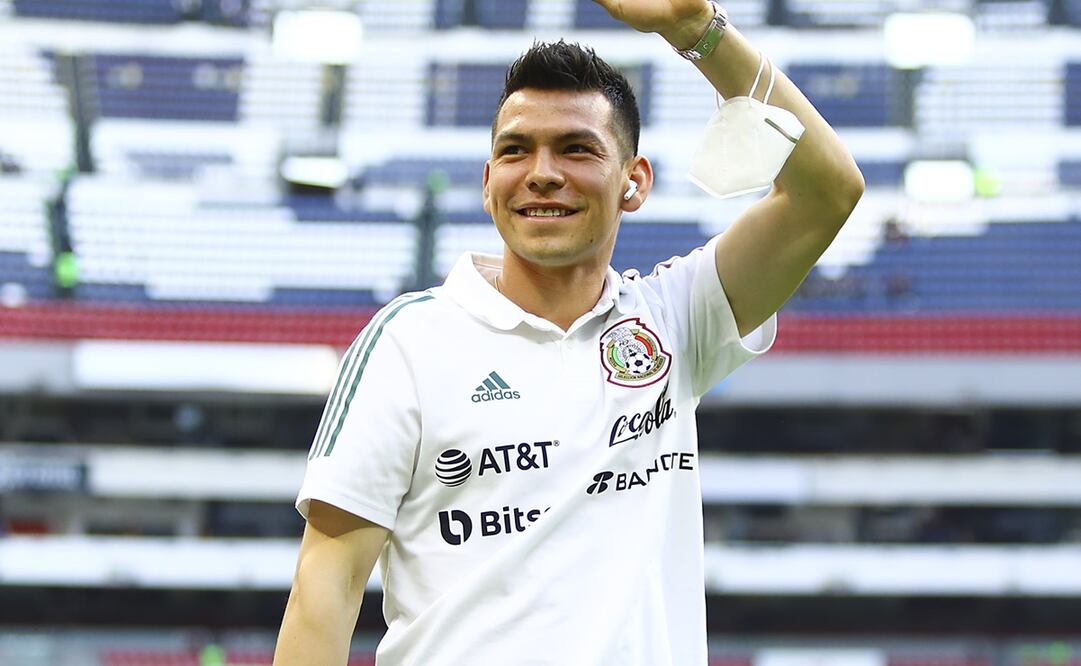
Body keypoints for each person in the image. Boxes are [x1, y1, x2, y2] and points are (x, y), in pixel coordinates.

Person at [274, 0, 863, 664]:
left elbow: (827, 191)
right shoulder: (408, 342)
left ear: (632, 183)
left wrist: (696, 31)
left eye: (576, 149)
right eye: (515, 150)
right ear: (488, 182)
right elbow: (327, 583)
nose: (542, 171)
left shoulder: (674, 319)